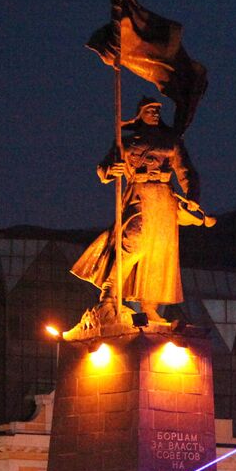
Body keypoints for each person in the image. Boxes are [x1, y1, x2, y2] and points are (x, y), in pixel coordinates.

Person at [69, 97, 200, 326]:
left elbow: (185, 169)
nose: (156, 113)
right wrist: (113, 169)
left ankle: (150, 307)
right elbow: (103, 168)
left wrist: (191, 195)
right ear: (140, 114)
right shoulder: (126, 142)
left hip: (164, 198)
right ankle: (109, 295)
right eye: (150, 110)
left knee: (159, 253)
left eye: (158, 110)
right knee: (132, 243)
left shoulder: (171, 141)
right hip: (138, 194)